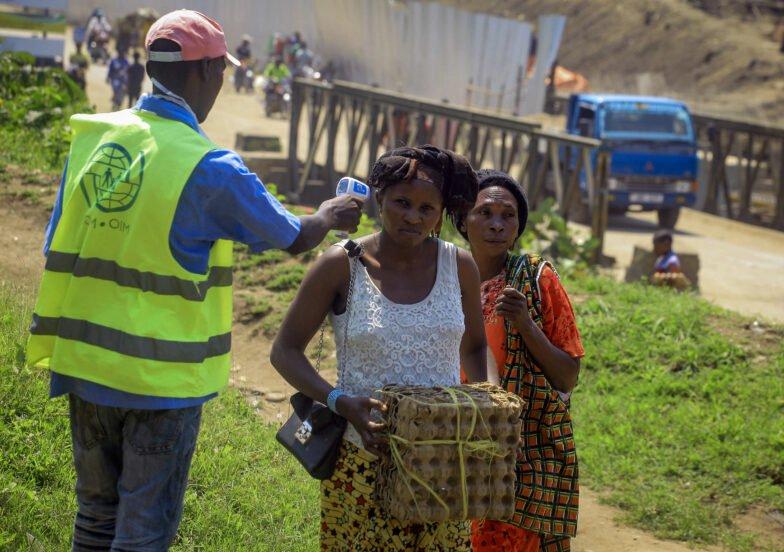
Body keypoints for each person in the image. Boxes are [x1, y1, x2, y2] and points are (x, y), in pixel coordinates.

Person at [26, 10, 362, 550]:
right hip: (159, 382)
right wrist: (327, 215)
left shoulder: (94, 138)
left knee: (94, 515)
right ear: (207, 70)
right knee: (143, 531)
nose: (222, 80)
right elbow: (291, 236)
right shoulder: (212, 168)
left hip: (84, 363)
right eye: (222, 70)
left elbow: (55, 244)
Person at [271, 146, 489, 551]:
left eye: (427, 208)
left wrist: (481, 412)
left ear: (441, 212)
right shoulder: (341, 265)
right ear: (380, 198)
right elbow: (285, 351)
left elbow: (475, 347)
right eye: (402, 203)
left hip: (442, 463)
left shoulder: (459, 266)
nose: (413, 217)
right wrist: (339, 402)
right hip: (362, 461)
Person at [456, 169, 584, 552]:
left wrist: (525, 323)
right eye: (485, 212)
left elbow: (568, 376)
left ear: (518, 227)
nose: (496, 224)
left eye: (507, 216)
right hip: (453, 445)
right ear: (463, 220)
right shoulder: (443, 280)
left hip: (521, 454)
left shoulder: (536, 279)